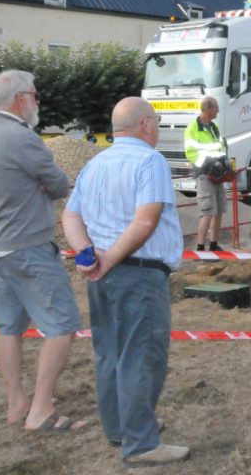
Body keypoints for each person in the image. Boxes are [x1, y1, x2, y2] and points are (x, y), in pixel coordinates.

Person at [62, 97, 189, 466]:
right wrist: (109, 259)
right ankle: (141, 443)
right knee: (142, 356)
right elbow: (145, 221)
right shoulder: (151, 161)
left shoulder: (95, 163)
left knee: (110, 353)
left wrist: (88, 255)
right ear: (146, 123)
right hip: (138, 273)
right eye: (158, 123)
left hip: (103, 275)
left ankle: (122, 428)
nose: (159, 130)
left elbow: (70, 217)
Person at [0, 69, 84, 431]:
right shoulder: (21, 138)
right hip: (30, 247)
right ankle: (41, 410)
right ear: (20, 99)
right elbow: (59, 184)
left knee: (10, 327)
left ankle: (17, 402)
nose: (37, 102)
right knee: (63, 324)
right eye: (34, 95)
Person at [184, 96, 229, 251]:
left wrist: (224, 159)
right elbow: (191, 154)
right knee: (207, 211)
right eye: (216, 108)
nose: (217, 110)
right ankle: (201, 247)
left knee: (219, 210)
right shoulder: (192, 129)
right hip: (204, 174)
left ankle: (214, 244)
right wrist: (210, 163)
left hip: (217, 173)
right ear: (209, 109)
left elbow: (219, 147)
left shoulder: (213, 127)